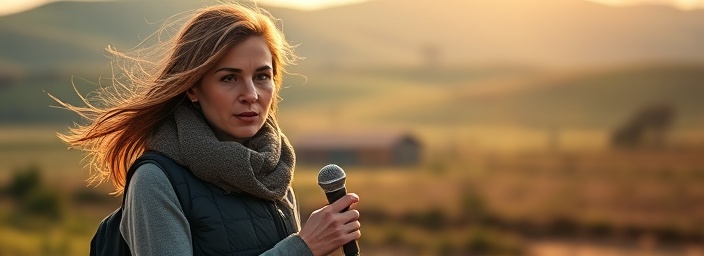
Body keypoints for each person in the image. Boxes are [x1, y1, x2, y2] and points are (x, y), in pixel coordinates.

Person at [55, 3, 361, 256]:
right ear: (193, 88)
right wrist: (302, 247)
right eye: (229, 78)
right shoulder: (156, 181)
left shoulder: (272, 171)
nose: (251, 94)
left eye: (262, 76)